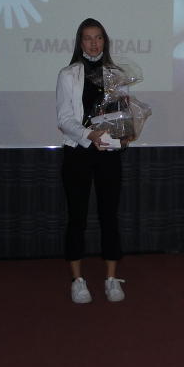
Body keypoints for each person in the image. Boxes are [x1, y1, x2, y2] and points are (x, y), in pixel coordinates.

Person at [55, 18, 128, 304]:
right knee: (77, 217)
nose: (94, 43)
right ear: (80, 42)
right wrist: (90, 134)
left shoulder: (116, 74)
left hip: (108, 152)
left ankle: (111, 278)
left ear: (105, 42)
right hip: (78, 151)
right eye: (88, 38)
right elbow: (64, 119)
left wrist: (124, 134)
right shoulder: (68, 74)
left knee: (110, 216)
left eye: (98, 37)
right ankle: (77, 280)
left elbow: (122, 115)